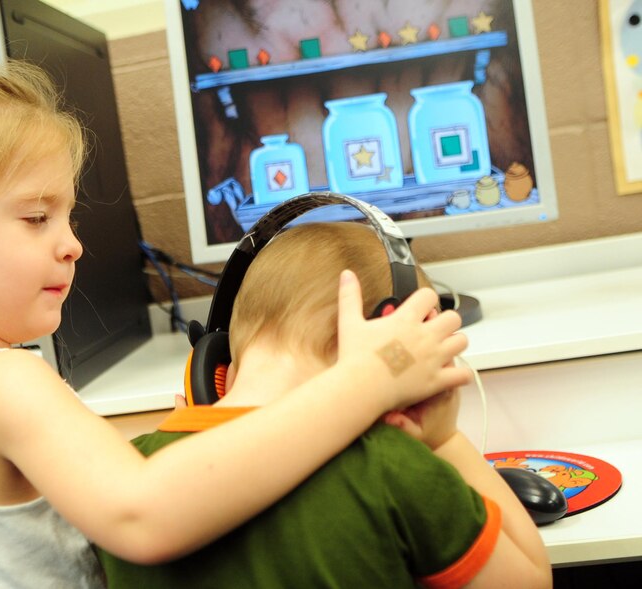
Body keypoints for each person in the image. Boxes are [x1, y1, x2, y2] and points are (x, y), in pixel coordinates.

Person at [0, 49, 471, 588]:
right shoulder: (1, 382)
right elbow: (144, 513)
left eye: (66, 217)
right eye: (36, 217)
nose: (71, 243)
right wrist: (371, 378)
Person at [98, 222, 552, 588]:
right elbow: (529, 579)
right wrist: (443, 436)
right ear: (371, 352)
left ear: (218, 368)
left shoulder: (122, 475)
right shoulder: (392, 466)